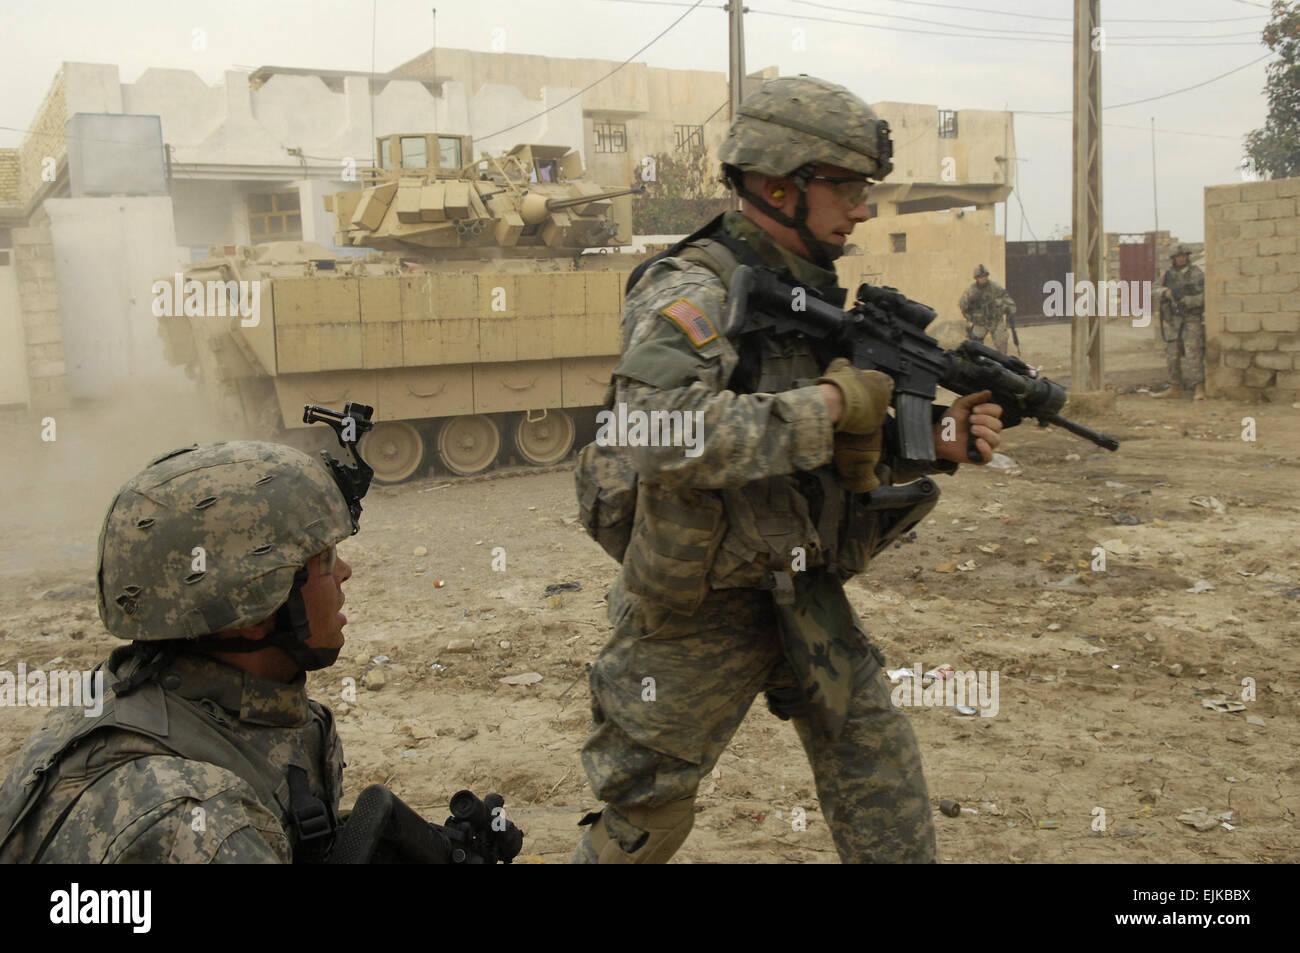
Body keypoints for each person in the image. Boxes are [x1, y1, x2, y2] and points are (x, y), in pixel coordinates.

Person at [572, 75, 1004, 864]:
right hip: (698, 607)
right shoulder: (690, 288)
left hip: (803, 585)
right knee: (647, 814)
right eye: (846, 188)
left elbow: (813, 440)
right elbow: (656, 431)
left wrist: (932, 437)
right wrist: (837, 406)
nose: (864, 208)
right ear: (777, 186)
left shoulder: (809, 293)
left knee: (884, 786)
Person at [0, 441, 358, 863]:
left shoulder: (128, 696)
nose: (344, 573)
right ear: (254, 606)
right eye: (325, 558)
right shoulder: (200, 824)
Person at [1152, 244, 1206, 400]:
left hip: (1191, 319)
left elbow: (1205, 296)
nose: (1182, 259)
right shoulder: (1167, 275)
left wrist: (1187, 301)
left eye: (1184, 256)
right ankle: (1175, 386)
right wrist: (1166, 293)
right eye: (1178, 257)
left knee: (1193, 353)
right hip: (1174, 320)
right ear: (1173, 259)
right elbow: (1154, 288)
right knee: (1172, 353)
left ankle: (1199, 388)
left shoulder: (1197, 274)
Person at [959, 264, 1017, 352]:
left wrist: (1010, 310)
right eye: (980, 277)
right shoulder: (971, 291)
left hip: (996, 321)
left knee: (1001, 342)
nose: (983, 278)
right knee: (974, 345)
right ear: (976, 278)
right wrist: (969, 316)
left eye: (985, 276)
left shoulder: (995, 287)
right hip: (980, 322)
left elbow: (1006, 298)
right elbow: (962, 304)